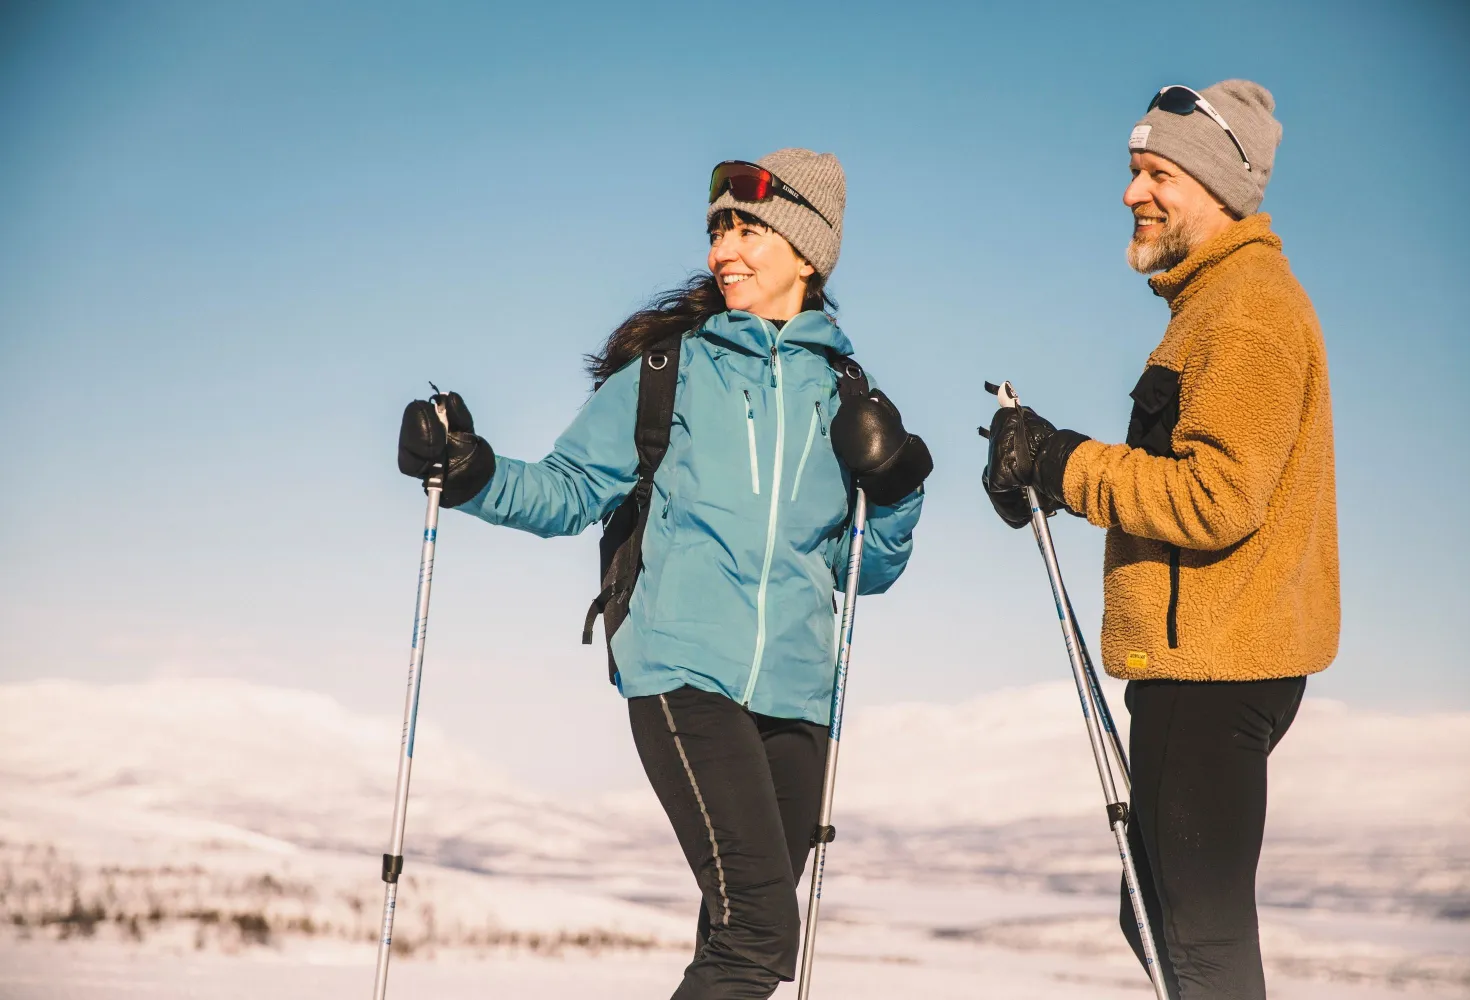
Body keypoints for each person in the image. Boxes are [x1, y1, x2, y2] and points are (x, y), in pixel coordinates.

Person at [398, 148, 930, 999]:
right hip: (683, 672)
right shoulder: (670, 373)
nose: (724, 248)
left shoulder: (846, 396)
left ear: (808, 252)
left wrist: (899, 495)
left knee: (731, 946)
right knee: (760, 934)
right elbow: (568, 490)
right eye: (718, 226)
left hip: (798, 696)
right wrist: (471, 472)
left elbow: (859, 569)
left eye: (748, 228)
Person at [982, 81, 1338, 999]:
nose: (1134, 193)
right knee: (1160, 916)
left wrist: (1064, 465)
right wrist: (1056, 471)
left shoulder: (1247, 309)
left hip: (1215, 669)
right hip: (1208, 662)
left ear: (1219, 186)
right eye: (1134, 172)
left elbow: (1219, 497)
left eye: (1158, 175)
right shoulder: (1214, 305)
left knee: (1200, 942)